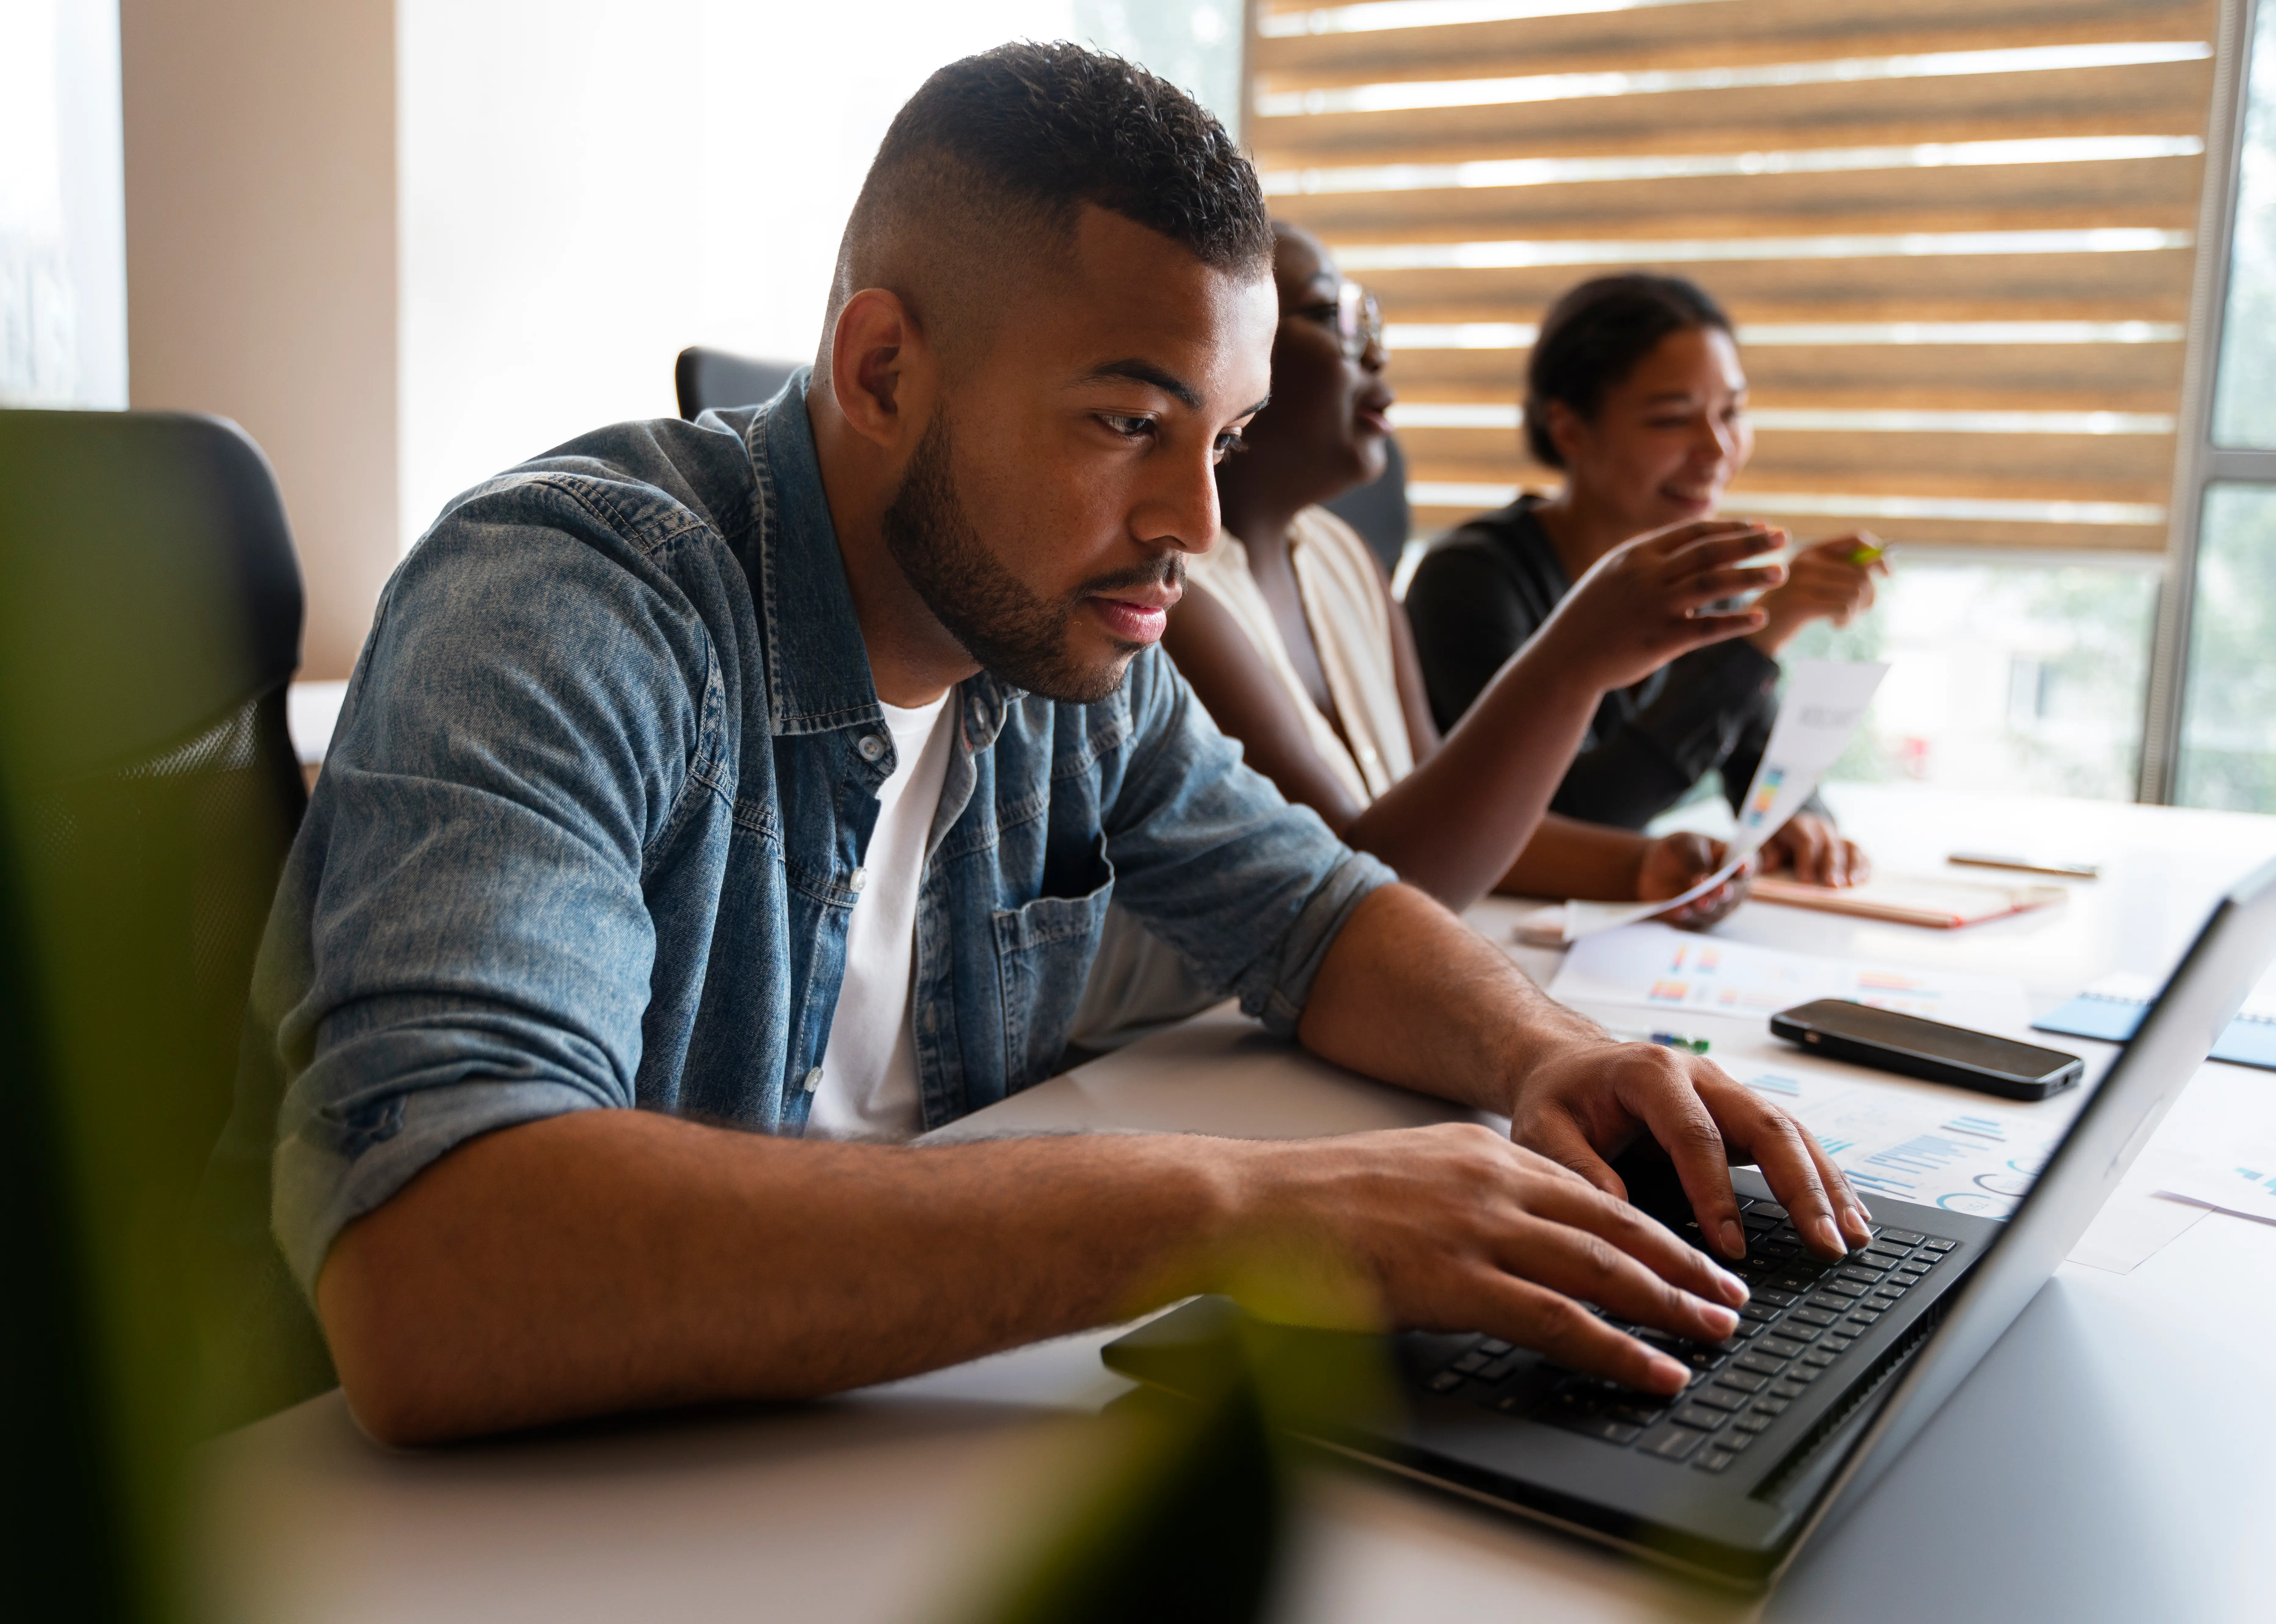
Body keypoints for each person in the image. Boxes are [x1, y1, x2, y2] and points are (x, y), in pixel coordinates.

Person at [208, 45, 1868, 1447]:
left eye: (1217, 438)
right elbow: (438, 1264)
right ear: (879, 368)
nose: (1191, 523)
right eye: (1127, 422)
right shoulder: (570, 602)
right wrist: (1245, 1206)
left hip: (849, 1451)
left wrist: (1535, 1052)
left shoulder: (1055, 651)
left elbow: (1315, 909)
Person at [1161, 223, 1784, 920]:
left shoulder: (1347, 560)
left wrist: (1644, 865)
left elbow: (1445, 808)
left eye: (1372, 317)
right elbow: (1353, 889)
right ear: (1222, 348)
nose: (1377, 349)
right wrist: (1574, 657)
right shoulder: (1174, 599)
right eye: (1332, 316)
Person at [1404, 273, 1887, 886]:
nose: (1717, 447)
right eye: (1670, 420)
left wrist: (1797, 825)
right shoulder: (1471, 581)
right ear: (1569, 429)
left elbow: (1758, 770)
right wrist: (1758, 639)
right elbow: (1567, 819)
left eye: (1731, 412)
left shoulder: (1699, 579)